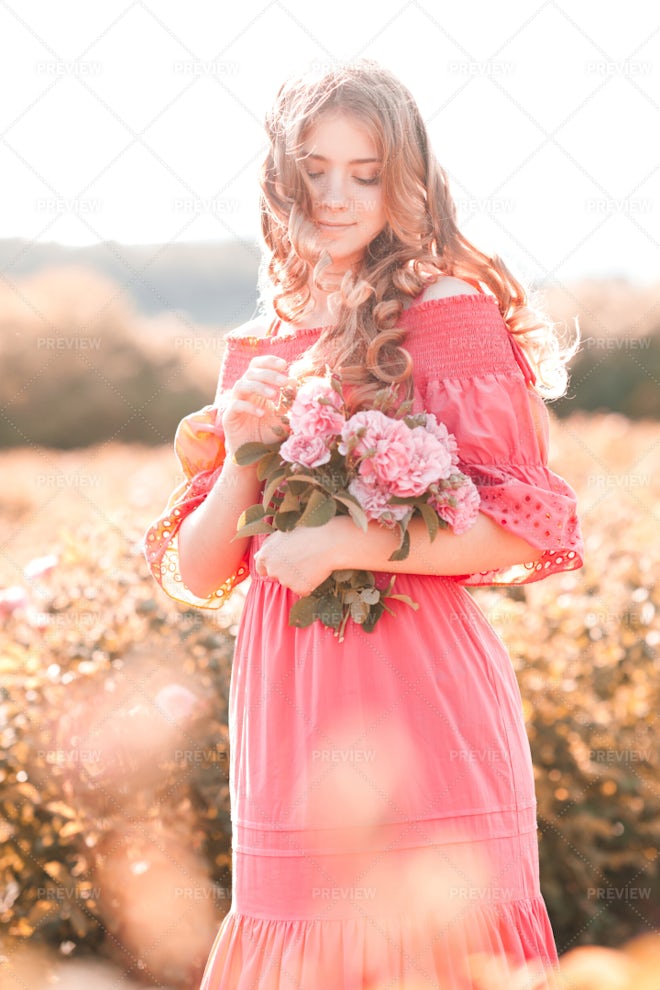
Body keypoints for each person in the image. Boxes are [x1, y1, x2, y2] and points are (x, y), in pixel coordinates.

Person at [143, 59, 583, 990]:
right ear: (280, 178)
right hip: (287, 708)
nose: (337, 196)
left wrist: (347, 542)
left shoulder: (450, 315)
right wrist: (243, 454)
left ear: (405, 180)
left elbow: (530, 526)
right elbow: (199, 566)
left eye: (367, 172)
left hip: (421, 692)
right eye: (315, 169)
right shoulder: (261, 343)